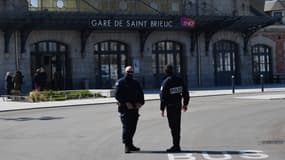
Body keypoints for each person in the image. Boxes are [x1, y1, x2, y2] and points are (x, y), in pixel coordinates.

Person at [160, 64, 190, 152]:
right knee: (177, 126)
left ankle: (176, 146)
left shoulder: (166, 82)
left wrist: (162, 109)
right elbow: (186, 92)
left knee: (173, 127)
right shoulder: (180, 80)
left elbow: (163, 97)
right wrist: (185, 104)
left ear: (166, 72)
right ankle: (177, 145)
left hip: (170, 107)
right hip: (178, 106)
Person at [115, 66, 145, 153]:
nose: (130, 73)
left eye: (131, 72)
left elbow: (141, 94)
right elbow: (117, 95)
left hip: (134, 109)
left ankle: (131, 144)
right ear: (125, 72)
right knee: (127, 127)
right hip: (125, 109)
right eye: (128, 72)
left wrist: (140, 103)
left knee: (133, 127)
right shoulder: (120, 82)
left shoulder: (136, 83)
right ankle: (126, 145)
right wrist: (125, 102)